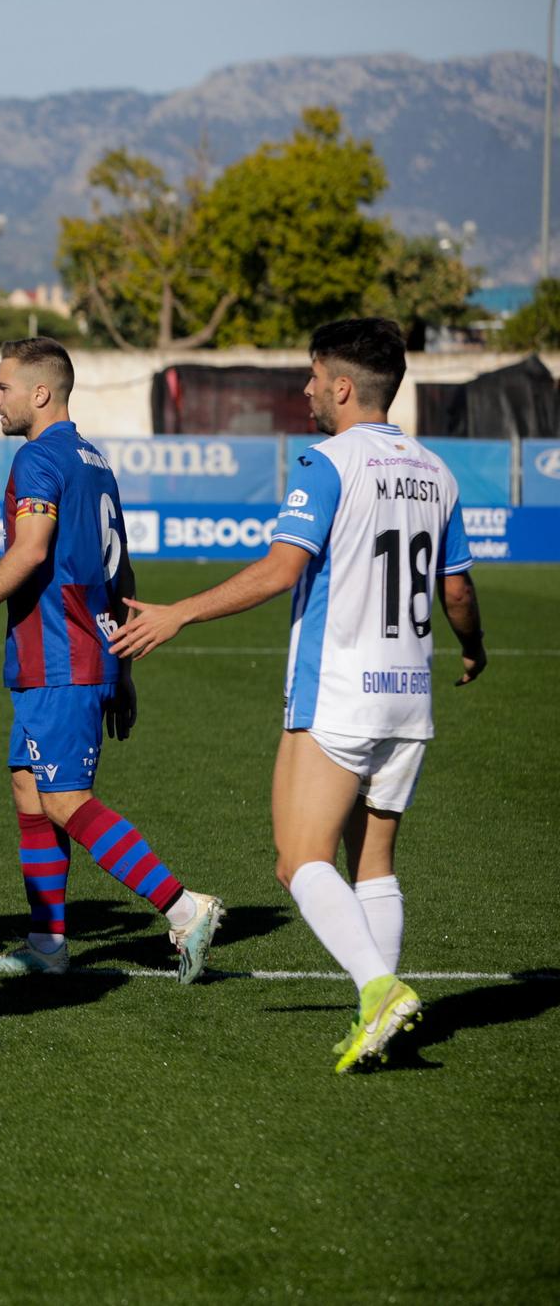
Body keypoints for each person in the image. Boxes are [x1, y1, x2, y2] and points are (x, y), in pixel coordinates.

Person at [111, 318, 485, 1072]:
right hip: (409, 693)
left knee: (299, 859)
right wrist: (474, 647)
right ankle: (379, 1013)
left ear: (343, 386)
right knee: (373, 861)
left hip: (342, 690)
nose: (306, 389)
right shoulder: (437, 472)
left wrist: (180, 610)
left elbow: (282, 569)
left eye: (314, 376)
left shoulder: (328, 461)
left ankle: (378, 988)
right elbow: (456, 587)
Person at [0, 338, 226, 982]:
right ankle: (47, 944)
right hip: (78, 651)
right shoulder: (94, 459)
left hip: (60, 653)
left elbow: (32, 550)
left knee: (65, 800)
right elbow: (122, 569)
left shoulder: (40, 457)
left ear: (40, 393)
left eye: (3, 386)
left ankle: (183, 906)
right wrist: (123, 669)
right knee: (29, 791)